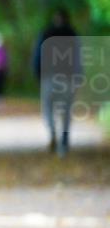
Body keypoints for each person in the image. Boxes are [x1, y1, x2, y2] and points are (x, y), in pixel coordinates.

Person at [33, 9, 80, 156]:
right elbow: (78, 57)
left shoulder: (46, 33)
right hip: (67, 77)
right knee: (66, 110)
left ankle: (53, 131)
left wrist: (37, 72)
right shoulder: (72, 33)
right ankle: (64, 139)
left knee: (48, 108)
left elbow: (38, 54)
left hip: (49, 76)